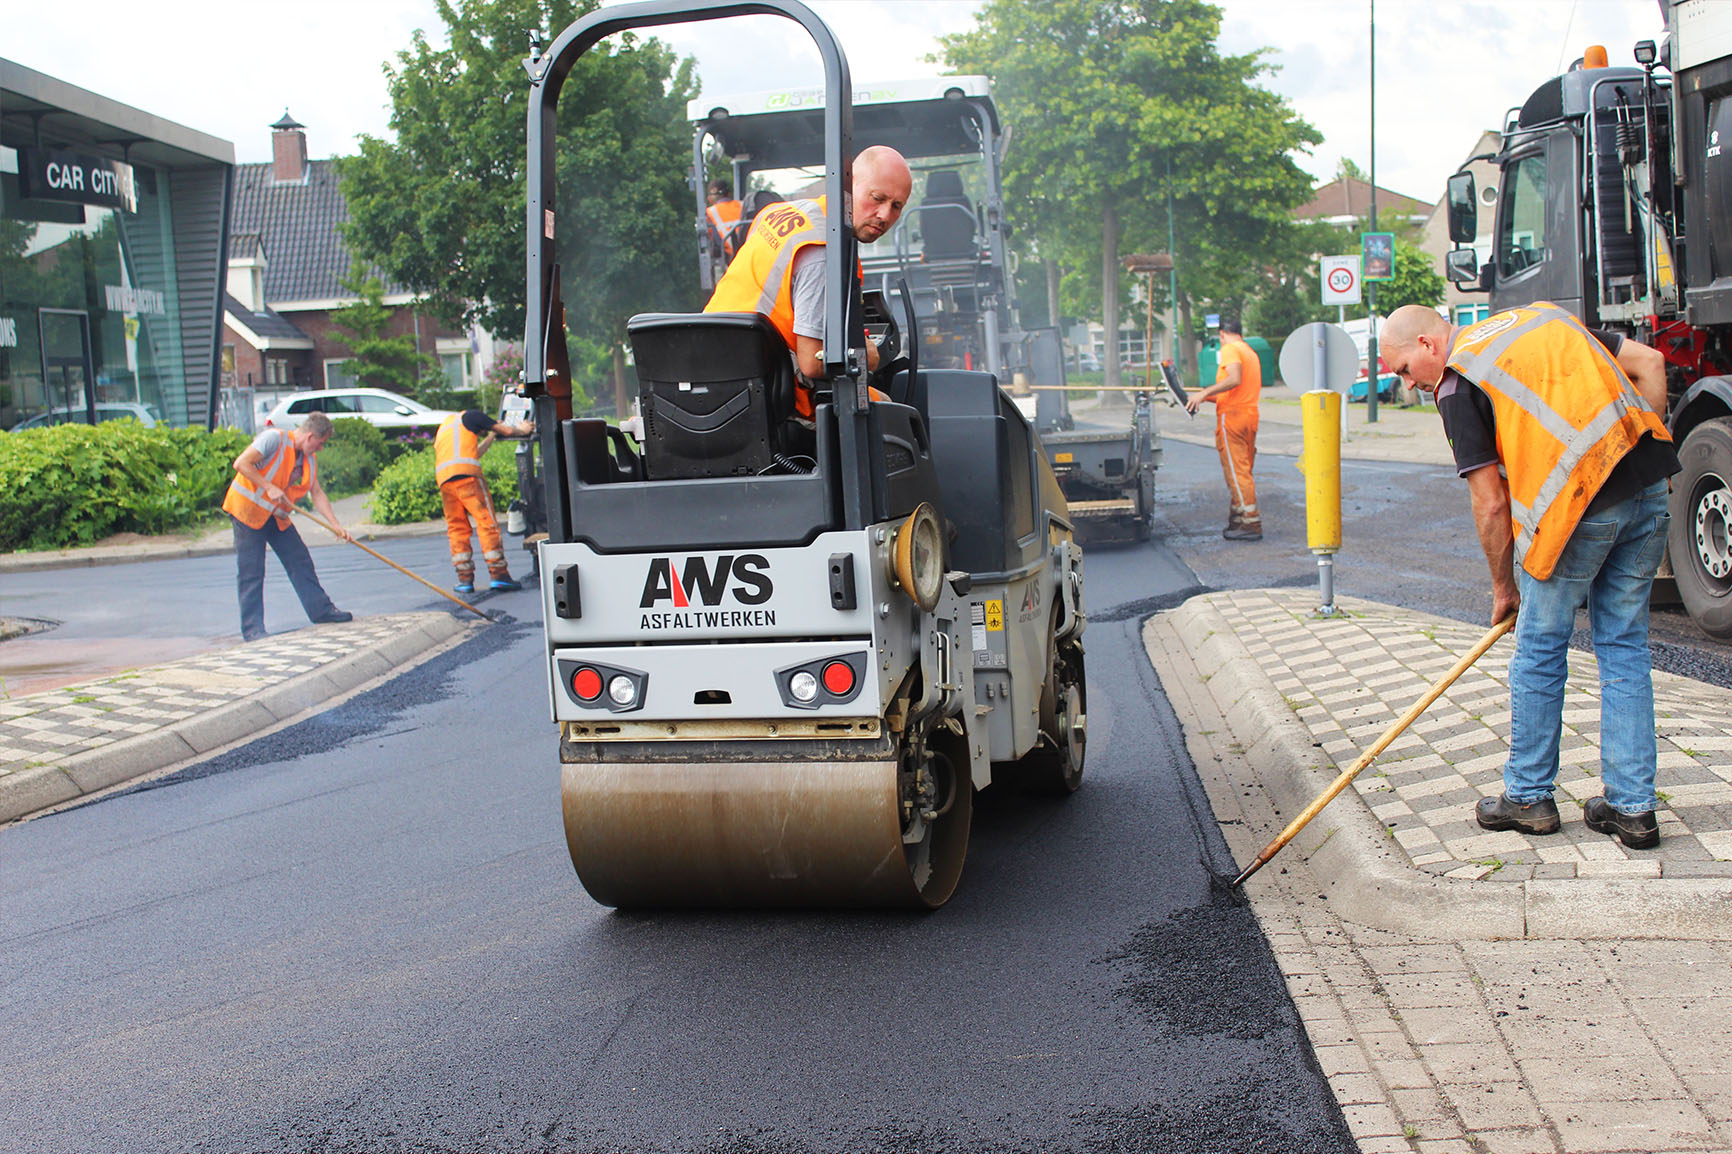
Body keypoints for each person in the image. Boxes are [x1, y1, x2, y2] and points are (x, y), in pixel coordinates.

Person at [1379, 302, 1679, 849]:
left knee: (1540, 649)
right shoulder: (1543, 318)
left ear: (1427, 344)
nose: (1407, 385)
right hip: (1648, 485)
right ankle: (1633, 809)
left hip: (1577, 511)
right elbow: (1652, 364)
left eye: (1402, 370)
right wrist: (1634, 466)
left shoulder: (1458, 379)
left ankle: (1529, 796)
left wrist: (1503, 587)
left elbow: (1491, 505)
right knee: (1624, 648)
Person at [705, 145, 911, 420]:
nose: (885, 215)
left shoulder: (778, 213)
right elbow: (811, 363)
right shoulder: (823, 252)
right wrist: (866, 357)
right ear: (847, 185)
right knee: (890, 411)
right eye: (877, 198)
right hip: (766, 398)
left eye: (896, 206)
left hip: (717, 375)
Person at [223, 411, 353, 642]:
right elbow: (241, 463)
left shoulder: (308, 459)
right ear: (310, 436)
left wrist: (335, 526)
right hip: (248, 512)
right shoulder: (274, 439)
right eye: (321, 443)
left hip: (276, 516)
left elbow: (317, 493)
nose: (321, 449)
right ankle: (253, 630)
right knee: (251, 571)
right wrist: (267, 486)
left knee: (299, 559)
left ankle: (321, 611)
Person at [435, 408, 534, 594]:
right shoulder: (473, 415)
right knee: (486, 523)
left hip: (445, 481)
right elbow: (507, 430)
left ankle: (465, 579)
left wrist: (490, 437)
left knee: (457, 527)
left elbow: (474, 453)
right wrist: (523, 429)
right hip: (468, 478)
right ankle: (499, 574)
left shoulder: (446, 426)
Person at [1185, 316, 1263, 540]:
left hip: (1233, 418)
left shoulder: (1230, 349)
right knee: (1243, 470)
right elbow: (1233, 390)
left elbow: (1234, 378)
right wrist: (1201, 397)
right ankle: (1239, 517)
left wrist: (1205, 392)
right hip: (1248, 415)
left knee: (1237, 473)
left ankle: (1251, 522)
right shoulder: (1250, 352)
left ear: (1222, 335)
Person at [705, 179, 743, 262]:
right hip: (752, 250)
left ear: (710, 199)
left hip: (732, 258)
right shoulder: (743, 205)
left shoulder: (710, 213)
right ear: (729, 194)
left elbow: (712, 239)